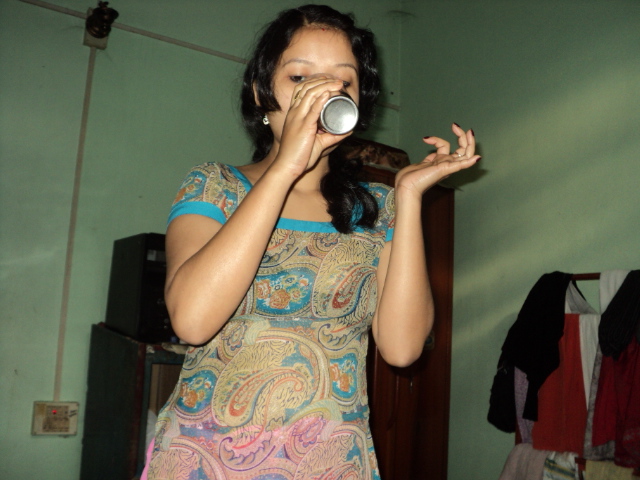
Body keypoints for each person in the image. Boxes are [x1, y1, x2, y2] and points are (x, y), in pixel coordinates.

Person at [142, 4, 479, 479]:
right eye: (300, 78)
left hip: (331, 463)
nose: (322, 96)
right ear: (261, 93)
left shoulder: (379, 208)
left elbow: (403, 349)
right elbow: (192, 321)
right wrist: (287, 166)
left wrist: (407, 196)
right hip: (205, 459)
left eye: (342, 82)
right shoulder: (214, 187)